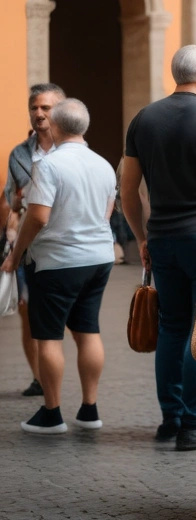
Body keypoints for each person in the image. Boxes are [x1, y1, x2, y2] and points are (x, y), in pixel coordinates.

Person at [120, 45, 196, 450]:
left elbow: (127, 190)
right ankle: (193, 424)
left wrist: (142, 237)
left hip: (162, 238)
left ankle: (169, 418)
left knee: (171, 327)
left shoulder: (143, 120)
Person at [1, 99, 116, 434]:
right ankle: (89, 410)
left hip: (57, 261)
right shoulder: (103, 165)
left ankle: (52, 414)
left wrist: (15, 254)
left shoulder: (49, 166)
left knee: (49, 337)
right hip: (99, 258)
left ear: (55, 126)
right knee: (88, 330)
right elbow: (106, 213)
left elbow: (37, 216)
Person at [0, 83, 65, 397]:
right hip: (27, 246)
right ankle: (40, 379)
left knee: (68, 321)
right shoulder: (20, 154)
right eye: (35, 108)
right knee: (28, 313)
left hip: (65, 246)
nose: (39, 114)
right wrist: (11, 235)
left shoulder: (75, 150)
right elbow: (10, 200)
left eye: (46, 108)